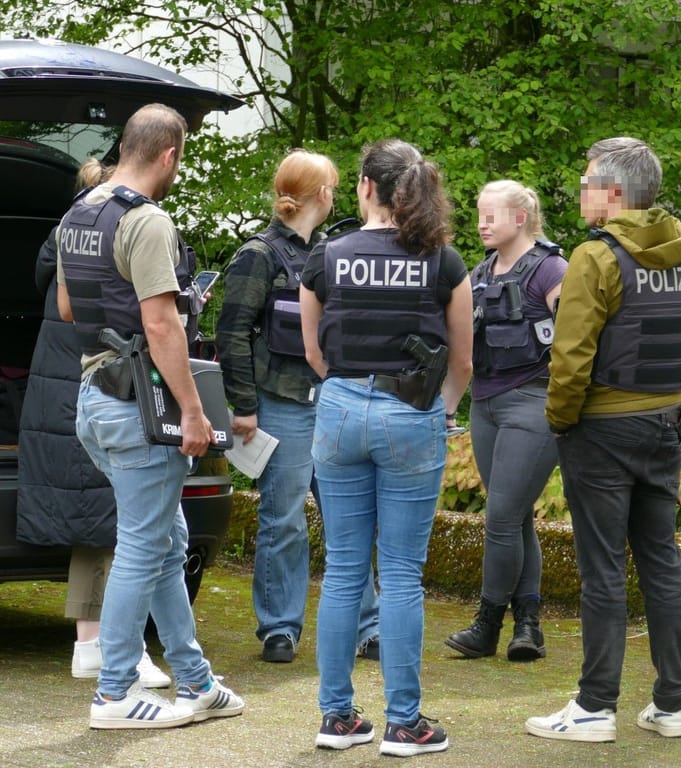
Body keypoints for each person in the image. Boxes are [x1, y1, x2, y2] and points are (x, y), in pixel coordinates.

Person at [57, 103, 244, 729]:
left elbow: (65, 306)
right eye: (179, 160)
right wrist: (193, 412)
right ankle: (113, 695)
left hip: (92, 398)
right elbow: (161, 324)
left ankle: (195, 682)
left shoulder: (80, 212)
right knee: (142, 545)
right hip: (141, 408)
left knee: (168, 539)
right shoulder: (148, 222)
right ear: (169, 154)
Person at [525, 137, 681, 744]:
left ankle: (594, 707)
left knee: (601, 569)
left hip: (601, 427)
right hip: (665, 423)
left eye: (585, 184)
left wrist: (560, 422)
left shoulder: (594, 258)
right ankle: (672, 704)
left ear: (612, 193)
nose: (580, 194)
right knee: (661, 560)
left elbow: (570, 358)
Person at [299, 139, 472, 757]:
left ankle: (336, 717)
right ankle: (404, 724)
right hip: (411, 413)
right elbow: (462, 359)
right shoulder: (444, 261)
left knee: (344, 571)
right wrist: (441, 412)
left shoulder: (327, 256)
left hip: (340, 410)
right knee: (401, 574)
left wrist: (346, 389)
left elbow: (313, 350)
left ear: (366, 188)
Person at [215, 149, 380, 664]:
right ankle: (279, 629)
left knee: (348, 517)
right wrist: (243, 406)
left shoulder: (332, 253)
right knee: (283, 518)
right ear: (322, 194)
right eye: (332, 186)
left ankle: (368, 628)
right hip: (280, 404)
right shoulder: (258, 254)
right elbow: (231, 333)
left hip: (333, 402)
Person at [16, 158, 171, 690]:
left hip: (68, 388)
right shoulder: (117, 234)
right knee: (129, 524)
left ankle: (92, 643)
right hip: (102, 382)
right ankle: (119, 652)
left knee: (99, 518)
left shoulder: (65, 239)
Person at [444, 180, 566, 662]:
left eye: (491, 215)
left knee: (500, 518)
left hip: (533, 403)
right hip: (487, 404)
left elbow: (579, 339)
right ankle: (529, 628)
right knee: (513, 519)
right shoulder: (480, 273)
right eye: (479, 214)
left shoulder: (551, 269)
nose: (482, 223)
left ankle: (488, 623)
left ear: (521, 218)